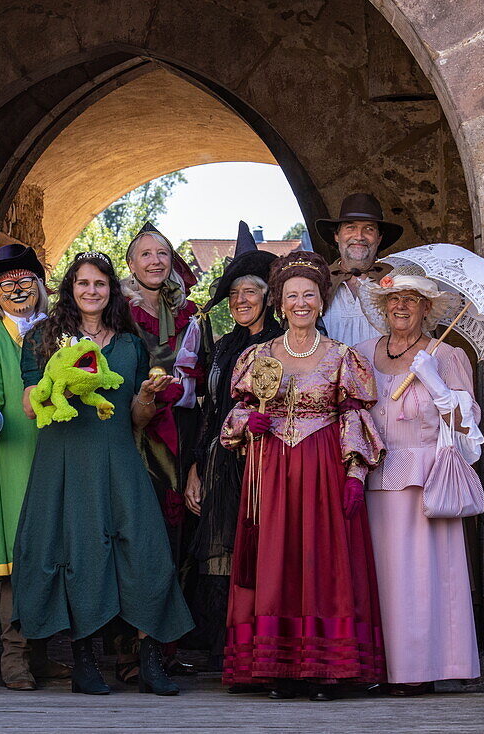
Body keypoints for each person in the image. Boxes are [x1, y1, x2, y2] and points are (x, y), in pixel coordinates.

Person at [11, 251, 195, 697]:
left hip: (118, 457)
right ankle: (84, 660)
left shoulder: (131, 345)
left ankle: (150, 660)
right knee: (80, 557)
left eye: (100, 284)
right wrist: (61, 382)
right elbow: (29, 404)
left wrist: (150, 395)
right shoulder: (42, 339)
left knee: (147, 554)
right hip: (66, 462)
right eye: (83, 283)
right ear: (70, 290)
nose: (91, 291)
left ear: (111, 290)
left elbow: (136, 416)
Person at [220, 250, 387, 701]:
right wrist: (245, 422)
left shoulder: (341, 358)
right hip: (269, 471)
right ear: (279, 301)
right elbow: (235, 413)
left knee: (321, 561)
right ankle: (275, 667)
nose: (300, 303)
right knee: (275, 560)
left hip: (322, 471)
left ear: (320, 302)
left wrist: (355, 474)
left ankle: (325, 669)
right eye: (291, 295)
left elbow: (354, 415)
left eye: (308, 295)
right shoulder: (258, 356)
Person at [355, 272, 483, 694]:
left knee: (423, 580)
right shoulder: (359, 354)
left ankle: (421, 670)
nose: (401, 306)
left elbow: (468, 433)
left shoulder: (445, 356)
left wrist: (437, 384)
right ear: (382, 307)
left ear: (427, 308)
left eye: (412, 299)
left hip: (428, 483)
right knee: (381, 579)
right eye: (393, 299)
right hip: (375, 480)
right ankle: (380, 667)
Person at [0, 243, 70, 690]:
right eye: (6, 283)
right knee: (17, 559)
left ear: (41, 288)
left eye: (26, 280)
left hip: (61, 454)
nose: (17, 288)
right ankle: (14, 656)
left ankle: (43, 651)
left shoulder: (59, 334)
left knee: (54, 557)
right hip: (13, 458)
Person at [183, 222, 281, 668]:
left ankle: (258, 643)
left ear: (267, 297)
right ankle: (223, 646)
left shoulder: (280, 345)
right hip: (221, 461)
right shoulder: (222, 348)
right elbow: (210, 412)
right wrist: (196, 467)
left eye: (252, 291)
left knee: (261, 549)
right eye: (236, 293)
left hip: (263, 461)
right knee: (218, 556)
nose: (242, 300)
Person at [115, 221, 203, 680]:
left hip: (181, 430)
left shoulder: (188, 315)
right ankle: (131, 649)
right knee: (136, 536)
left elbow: (199, 373)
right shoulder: (120, 313)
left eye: (162, 253)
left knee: (174, 540)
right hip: (137, 431)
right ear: (131, 264)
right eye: (145, 254)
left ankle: (164, 647)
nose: (155, 260)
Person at [315, 193, 402, 346]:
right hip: (330, 369)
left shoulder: (397, 280)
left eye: (369, 229)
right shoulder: (318, 281)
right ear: (337, 235)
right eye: (351, 228)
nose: (359, 236)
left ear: (379, 238)